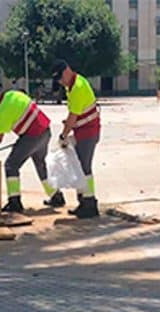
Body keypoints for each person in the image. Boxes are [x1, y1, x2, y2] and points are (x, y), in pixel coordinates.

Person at [0, 83, 64, 214]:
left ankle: (15, 202)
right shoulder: (14, 94)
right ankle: (56, 196)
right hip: (45, 131)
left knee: (11, 165)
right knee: (40, 165)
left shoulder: (4, 109)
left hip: (32, 136)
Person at [52, 59, 100, 219]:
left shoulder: (78, 87)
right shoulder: (70, 86)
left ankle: (90, 203)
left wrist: (63, 135)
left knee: (84, 168)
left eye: (60, 78)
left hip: (88, 132)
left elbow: (73, 116)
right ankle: (84, 202)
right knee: (80, 167)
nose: (60, 82)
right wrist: (70, 125)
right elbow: (75, 114)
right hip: (83, 131)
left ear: (67, 71)